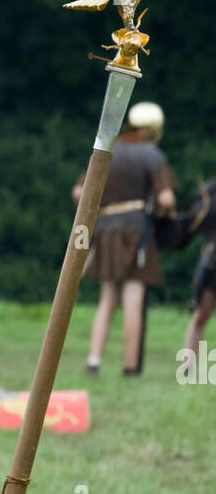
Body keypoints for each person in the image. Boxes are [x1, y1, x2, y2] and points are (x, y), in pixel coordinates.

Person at [75, 101, 177, 375]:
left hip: (106, 229)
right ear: (153, 128)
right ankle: (131, 367)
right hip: (136, 230)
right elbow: (167, 198)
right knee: (133, 296)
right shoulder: (151, 155)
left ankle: (93, 361)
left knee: (107, 297)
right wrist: (163, 211)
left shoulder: (108, 149)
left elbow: (78, 193)